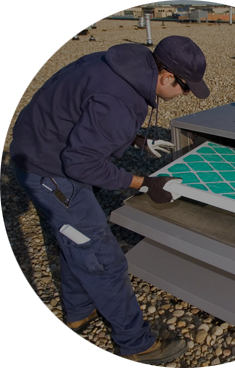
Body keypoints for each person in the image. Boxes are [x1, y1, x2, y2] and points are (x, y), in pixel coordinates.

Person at [9, 35, 210, 364]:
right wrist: (143, 183)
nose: (186, 95)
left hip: (37, 149)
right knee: (104, 261)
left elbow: (86, 111)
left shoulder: (118, 63)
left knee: (77, 242)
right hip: (52, 174)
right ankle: (136, 344)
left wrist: (136, 139)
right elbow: (81, 163)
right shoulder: (120, 101)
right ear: (166, 77)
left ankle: (78, 313)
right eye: (186, 88)